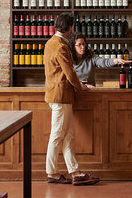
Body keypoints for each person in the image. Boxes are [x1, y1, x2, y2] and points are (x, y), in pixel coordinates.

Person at [44, 13, 100, 186]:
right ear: (69, 28)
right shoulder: (60, 46)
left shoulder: (50, 43)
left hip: (60, 94)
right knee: (57, 135)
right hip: (60, 95)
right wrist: (81, 86)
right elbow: (69, 72)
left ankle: (74, 172)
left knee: (68, 135)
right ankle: (52, 173)